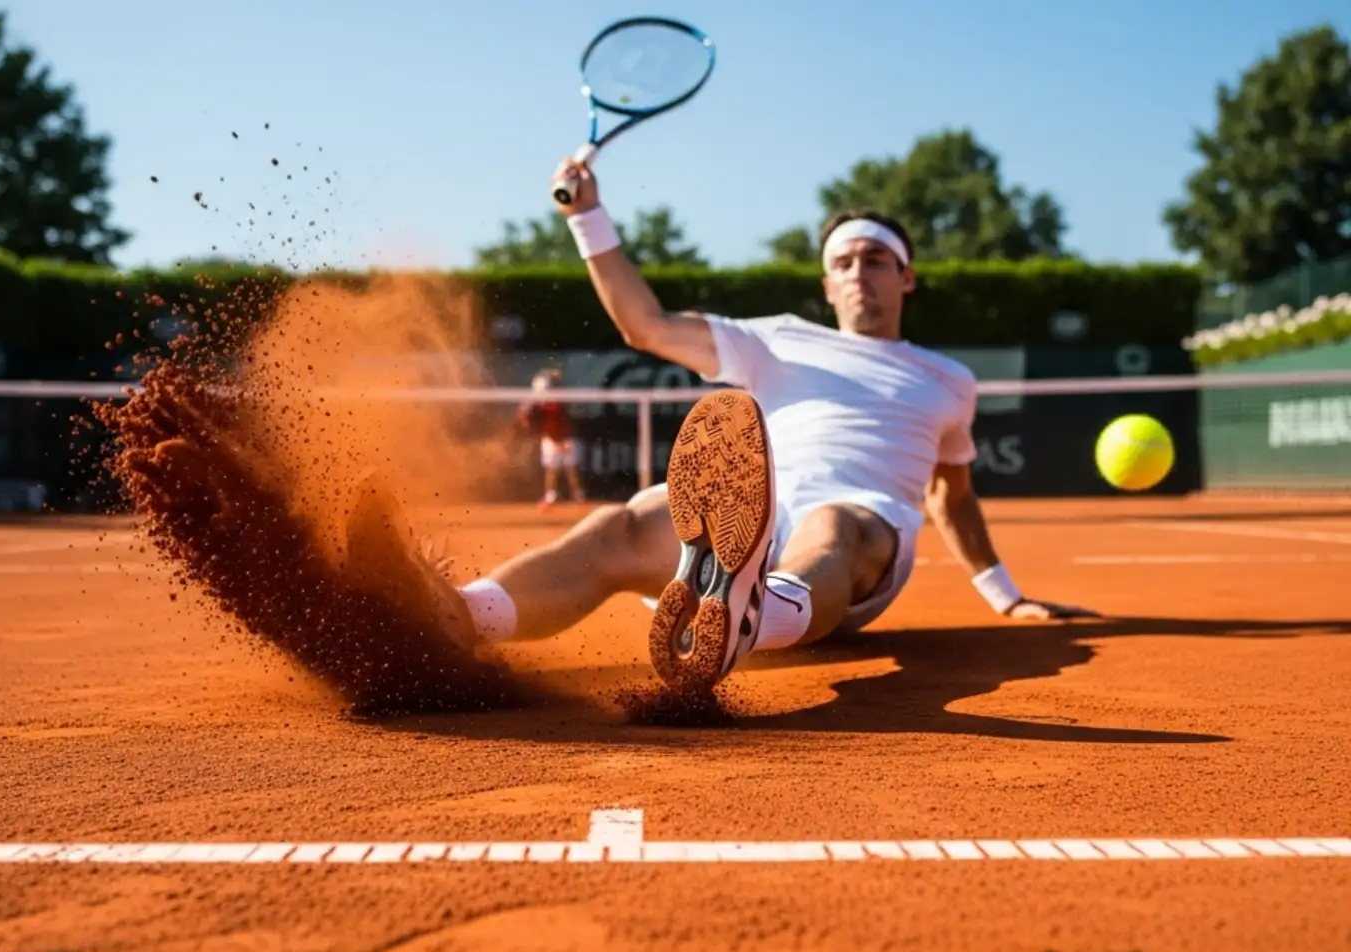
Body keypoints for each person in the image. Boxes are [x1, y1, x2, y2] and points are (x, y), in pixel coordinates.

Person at [350, 154, 1099, 702]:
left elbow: (953, 495)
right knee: (620, 525)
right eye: (845, 260)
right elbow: (644, 324)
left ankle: (746, 619)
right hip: (746, 504)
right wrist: (587, 216)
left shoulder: (948, 380)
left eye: (878, 260)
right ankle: (457, 619)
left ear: (906, 277)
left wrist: (1005, 594)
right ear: (826, 281)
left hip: (868, 527)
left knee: (834, 528)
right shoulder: (779, 337)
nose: (861, 272)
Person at [517, 368, 587, 509]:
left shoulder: (562, 403)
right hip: (550, 439)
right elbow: (526, 418)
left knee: (571, 469)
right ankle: (550, 496)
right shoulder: (535, 405)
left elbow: (568, 421)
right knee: (551, 470)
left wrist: (563, 441)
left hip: (566, 439)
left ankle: (578, 496)